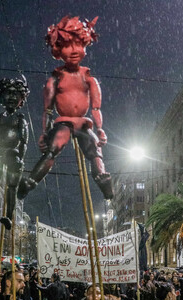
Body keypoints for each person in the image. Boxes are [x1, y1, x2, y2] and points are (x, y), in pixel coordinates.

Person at [17, 15, 113, 200]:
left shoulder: (89, 79)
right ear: (58, 50)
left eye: (79, 45)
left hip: (83, 123)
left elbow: (96, 108)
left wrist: (100, 129)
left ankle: (103, 180)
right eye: (68, 46)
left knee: (94, 149)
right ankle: (29, 182)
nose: (74, 50)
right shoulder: (55, 79)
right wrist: (44, 132)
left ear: (85, 45)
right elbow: (48, 109)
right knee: (53, 147)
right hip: (64, 122)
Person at [0, 77, 30, 231]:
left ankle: (8, 217)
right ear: (1, 97)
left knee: (12, 187)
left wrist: (20, 159)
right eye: (7, 94)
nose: (11, 97)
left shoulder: (20, 120)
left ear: (21, 99)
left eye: (15, 94)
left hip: (13, 155)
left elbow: (24, 140)